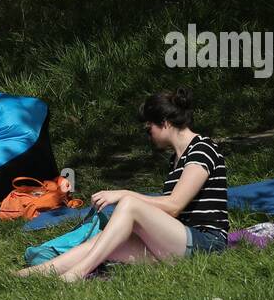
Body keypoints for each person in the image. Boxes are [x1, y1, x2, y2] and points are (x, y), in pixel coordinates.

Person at [16, 87, 227, 282]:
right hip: (179, 241)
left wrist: (125, 194)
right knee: (106, 241)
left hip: (206, 244)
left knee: (129, 204)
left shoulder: (202, 149)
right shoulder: (177, 159)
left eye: (149, 128)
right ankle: (31, 274)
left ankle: (76, 274)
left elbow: (174, 205)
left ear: (164, 122)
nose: (149, 135)